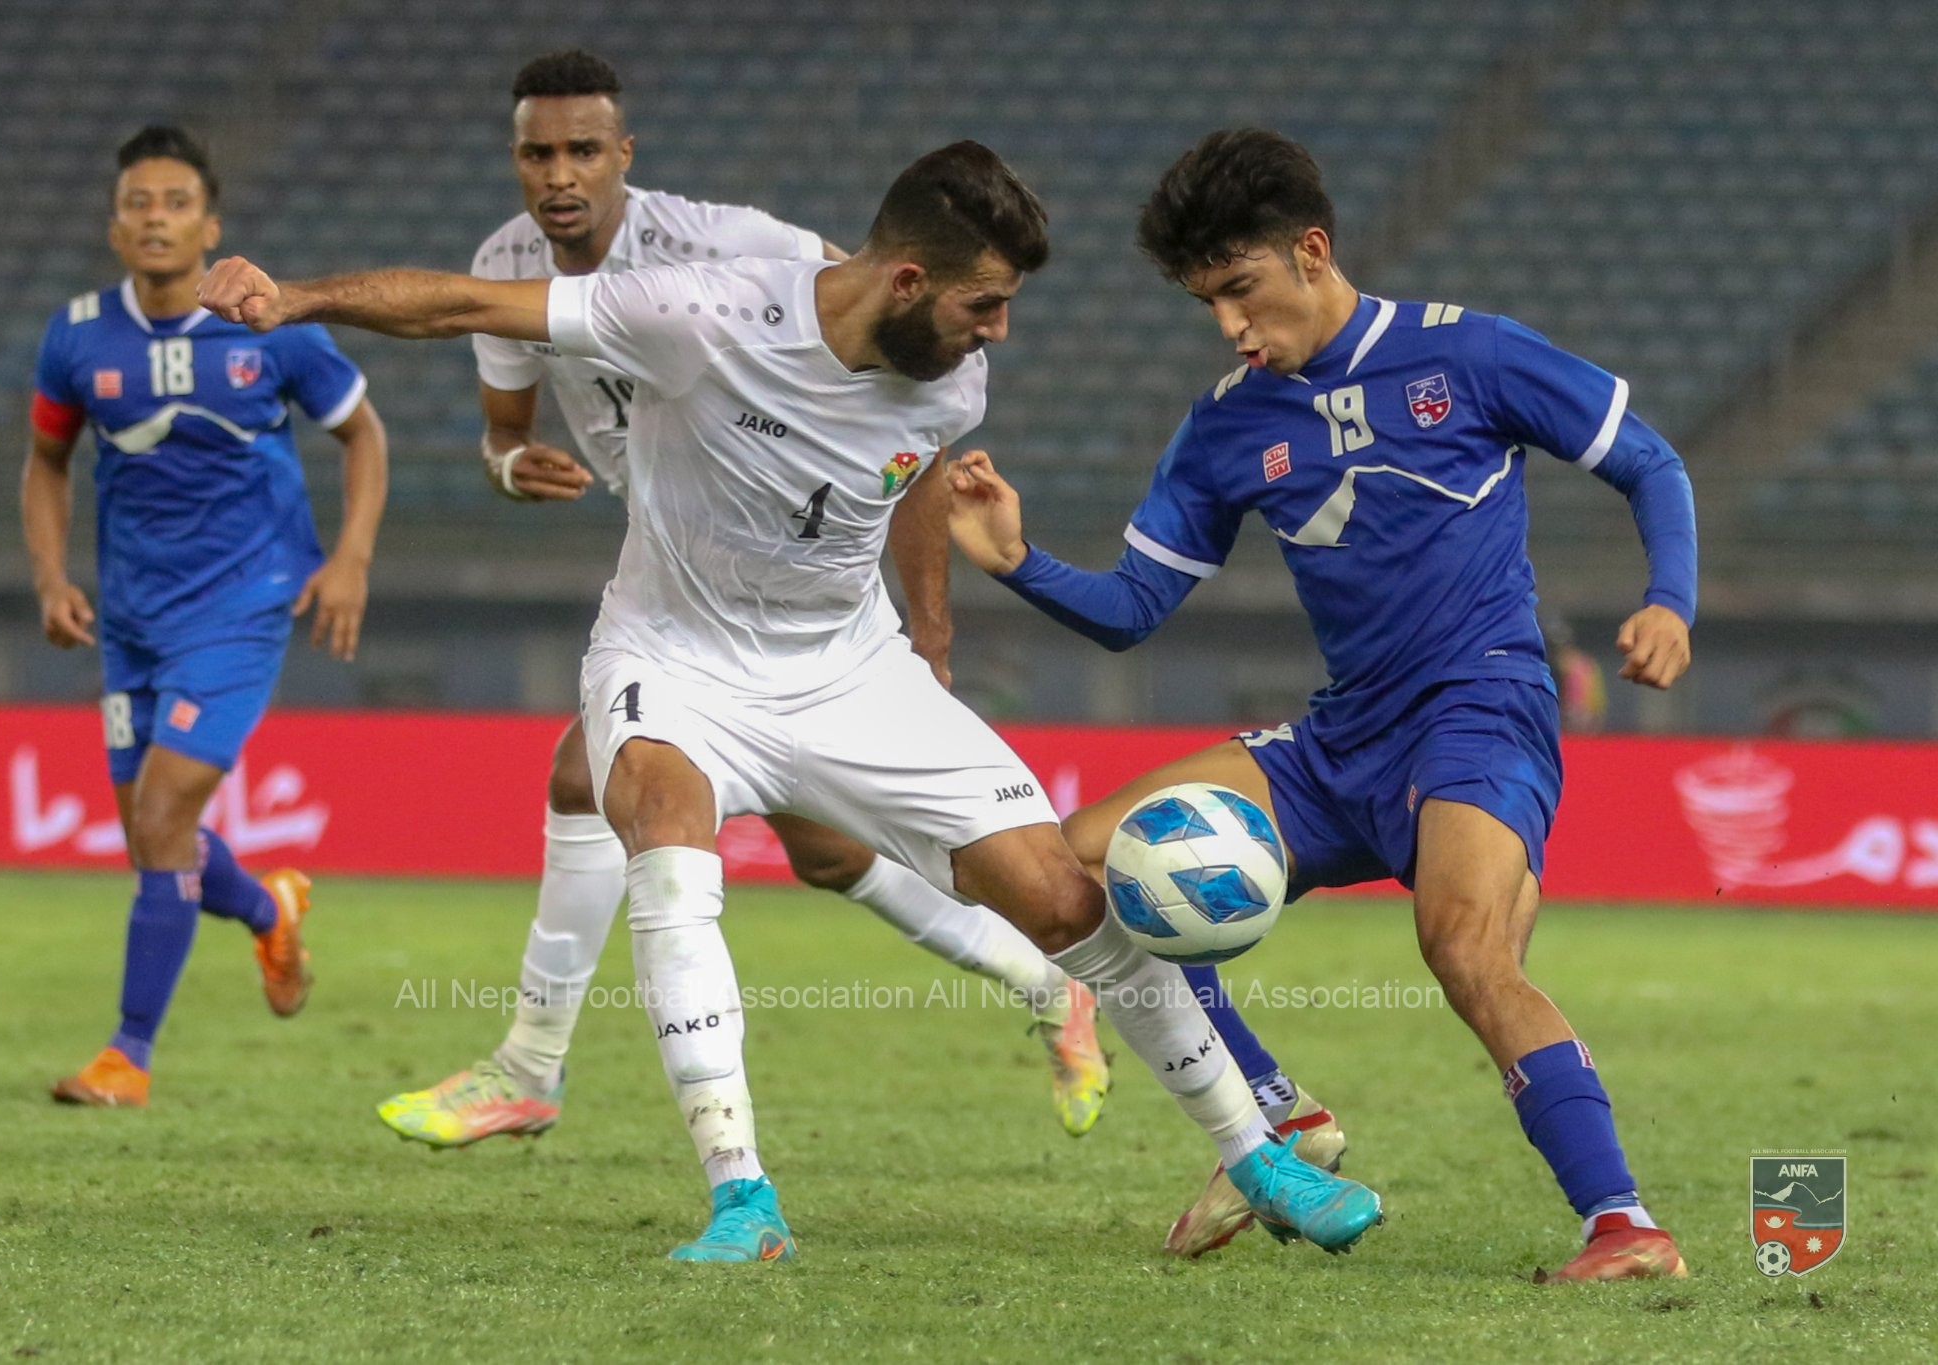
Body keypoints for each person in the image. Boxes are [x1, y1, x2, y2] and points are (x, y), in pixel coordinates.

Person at [200, 140, 1384, 1263]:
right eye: (982, 304)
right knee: (667, 844)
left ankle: (1258, 1156)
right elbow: (465, 303)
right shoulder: (699, 312)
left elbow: (911, 481)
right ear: (907, 280)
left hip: (846, 669)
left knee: (1063, 897)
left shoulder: (950, 382)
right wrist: (294, 297)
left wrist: (927, 632)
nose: (997, 332)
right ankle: (740, 1196)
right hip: (675, 659)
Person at [946, 129, 1695, 1282]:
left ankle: (1624, 1226)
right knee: (1076, 865)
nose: (1229, 325)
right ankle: (1276, 1113)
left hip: (1476, 705)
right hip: (1340, 736)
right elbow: (1133, 606)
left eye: (1240, 289)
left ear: (1309, 250)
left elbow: (1647, 461)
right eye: (1206, 302)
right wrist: (1014, 560)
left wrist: (1668, 601)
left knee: (1465, 949)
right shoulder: (1226, 424)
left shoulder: (1469, 354)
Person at [373, 51, 1107, 1151]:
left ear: (623, 155)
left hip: (785, 573)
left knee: (583, 775)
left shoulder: (727, 243)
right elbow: (502, 434)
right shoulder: (503, 265)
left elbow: (888, 365)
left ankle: (526, 1067)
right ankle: (1050, 985)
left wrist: (929, 629)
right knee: (825, 853)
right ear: (514, 159)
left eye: (583, 150)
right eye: (538, 152)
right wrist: (507, 465)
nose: (560, 173)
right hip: (681, 557)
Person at [24, 127, 389, 1107]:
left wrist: (350, 558)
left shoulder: (272, 327)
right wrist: (51, 577)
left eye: (176, 202)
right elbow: (46, 462)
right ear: (115, 228)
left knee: (163, 818)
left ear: (210, 226)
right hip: (132, 619)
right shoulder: (76, 336)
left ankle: (127, 1055)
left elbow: (363, 435)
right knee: (156, 839)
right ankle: (269, 908)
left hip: (243, 605)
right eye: (138, 203)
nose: (156, 218)